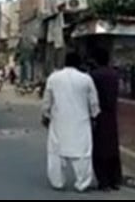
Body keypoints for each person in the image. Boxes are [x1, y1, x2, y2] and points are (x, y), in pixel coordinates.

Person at [41, 53, 100, 192]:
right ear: (79, 63)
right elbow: (94, 102)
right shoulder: (86, 79)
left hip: (59, 121)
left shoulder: (53, 78)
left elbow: (46, 101)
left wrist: (45, 115)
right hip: (81, 122)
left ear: (64, 62)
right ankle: (82, 183)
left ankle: (57, 182)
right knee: (83, 154)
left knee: (56, 153)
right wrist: (94, 116)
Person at [89, 49, 122, 191]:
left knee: (99, 148)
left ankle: (103, 181)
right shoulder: (114, 75)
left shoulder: (94, 75)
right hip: (112, 115)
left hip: (99, 114)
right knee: (112, 147)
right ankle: (114, 180)